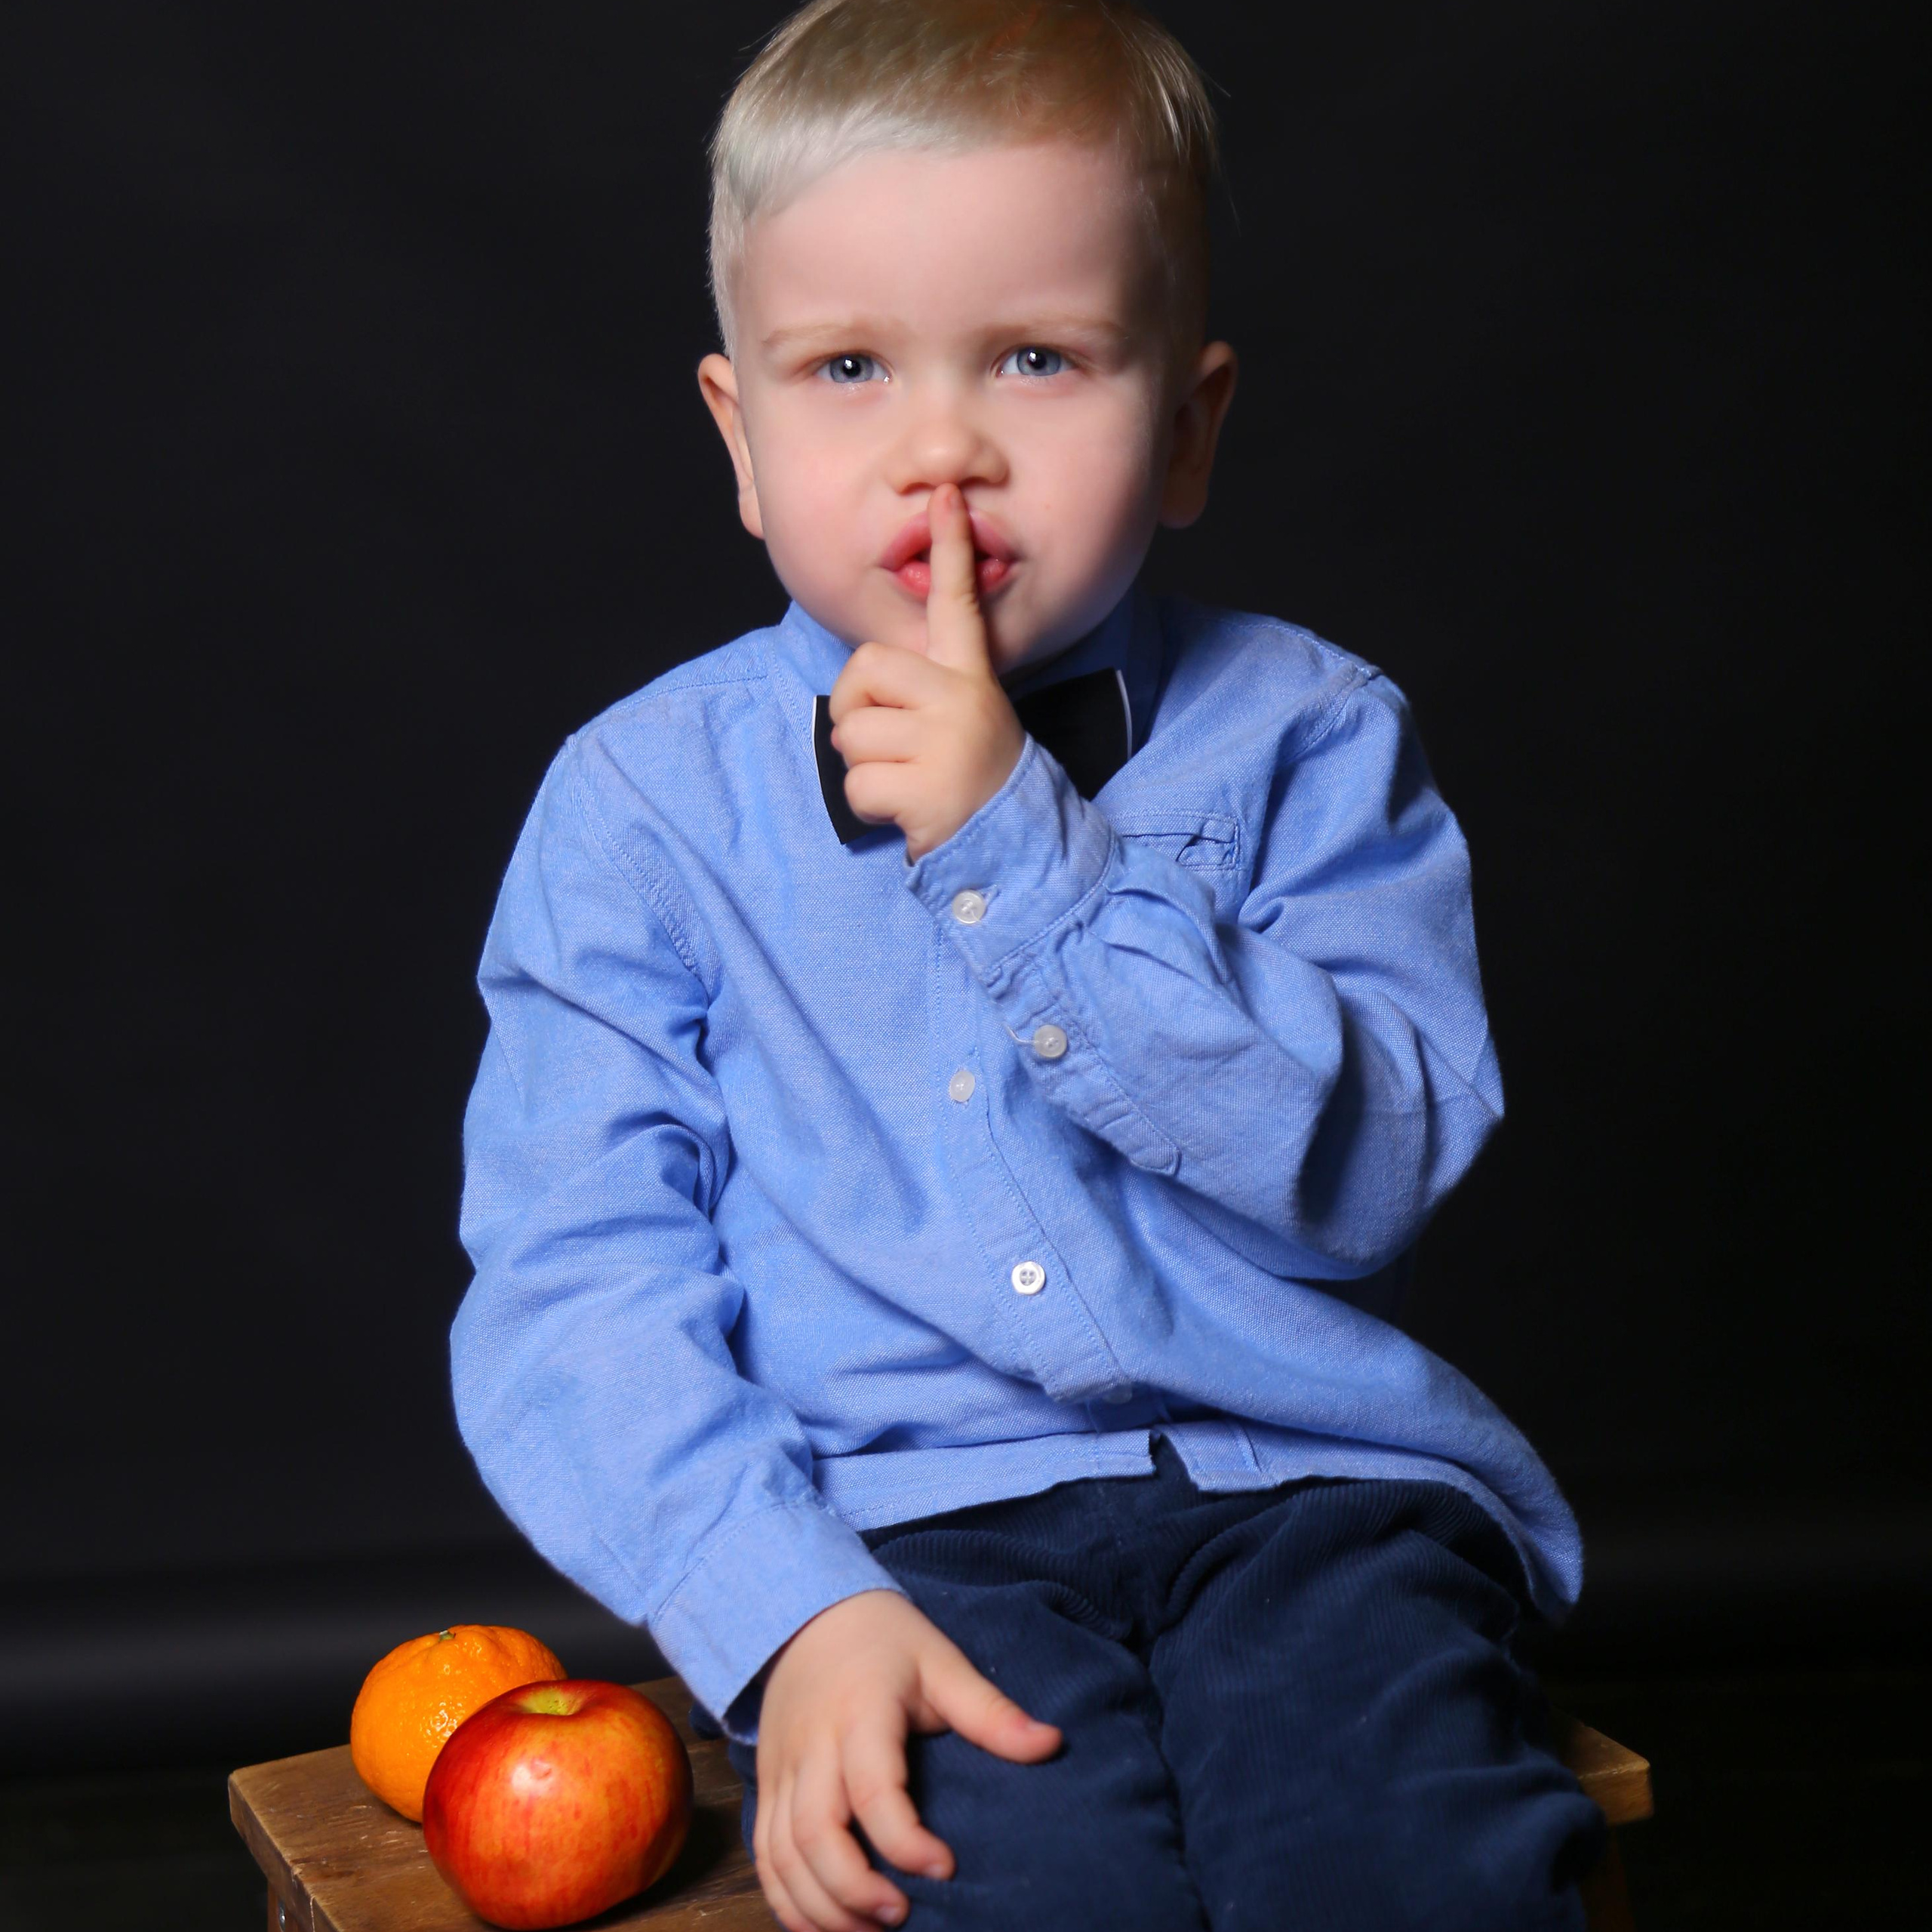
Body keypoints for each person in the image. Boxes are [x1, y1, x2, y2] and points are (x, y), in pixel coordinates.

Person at [453, 3, 1607, 1927]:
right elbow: (573, 1280)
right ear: (740, 438)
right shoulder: (636, 811)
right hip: (891, 1535)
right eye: (844, 367)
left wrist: (1028, 856)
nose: (941, 452)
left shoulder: (1314, 737)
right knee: (1002, 1879)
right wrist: (785, 1603)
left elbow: (1375, 1166)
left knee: (1405, 1854)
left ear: (1188, 425)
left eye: (1037, 358)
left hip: (1305, 1490)